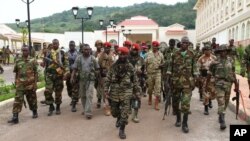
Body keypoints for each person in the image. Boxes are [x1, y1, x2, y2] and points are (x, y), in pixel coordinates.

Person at [104, 47, 140, 139]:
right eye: (121, 54)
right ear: (119, 55)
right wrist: (105, 90)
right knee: (114, 112)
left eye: (124, 54)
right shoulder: (113, 66)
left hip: (126, 92)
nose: (122, 56)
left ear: (127, 55)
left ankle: (122, 129)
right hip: (114, 92)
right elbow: (108, 79)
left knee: (125, 111)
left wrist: (137, 91)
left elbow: (135, 80)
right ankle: (118, 118)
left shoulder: (130, 67)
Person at [167, 36, 198, 133]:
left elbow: (195, 68)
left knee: (185, 103)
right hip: (176, 82)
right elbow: (170, 67)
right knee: (175, 102)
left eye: (187, 43)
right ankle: (178, 119)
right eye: (183, 43)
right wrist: (168, 80)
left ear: (188, 44)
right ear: (181, 43)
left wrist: (195, 79)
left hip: (187, 83)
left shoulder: (192, 54)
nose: (185, 44)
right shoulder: (175, 54)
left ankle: (185, 123)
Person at [8, 45, 38, 124]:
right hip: (20, 84)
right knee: (18, 100)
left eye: (26, 50)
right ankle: (15, 117)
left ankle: (34, 111)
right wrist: (16, 82)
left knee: (32, 99)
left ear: (29, 51)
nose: (24, 52)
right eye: (23, 50)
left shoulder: (32, 60)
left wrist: (35, 84)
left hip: (30, 84)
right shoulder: (18, 60)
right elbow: (16, 72)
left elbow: (36, 73)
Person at [210, 44, 237, 130]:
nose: (223, 53)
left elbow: (233, 72)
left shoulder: (231, 60)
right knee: (221, 101)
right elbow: (211, 72)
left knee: (225, 101)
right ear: (219, 52)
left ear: (227, 52)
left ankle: (222, 114)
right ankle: (222, 120)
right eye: (221, 51)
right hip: (219, 84)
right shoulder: (215, 61)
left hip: (228, 84)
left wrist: (236, 84)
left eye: (225, 51)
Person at [71, 44, 99, 119]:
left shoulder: (93, 58)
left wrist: (98, 78)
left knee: (89, 95)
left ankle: (88, 112)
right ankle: (85, 109)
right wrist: (72, 77)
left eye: (88, 49)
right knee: (83, 96)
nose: (86, 51)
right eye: (85, 49)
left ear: (90, 50)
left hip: (90, 80)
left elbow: (97, 69)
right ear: (82, 50)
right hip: (82, 79)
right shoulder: (79, 58)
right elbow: (74, 68)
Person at [44, 39, 69, 116]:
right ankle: (51, 106)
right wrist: (43, 64)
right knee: (48, 91)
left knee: (58, 92)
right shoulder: (49, 53)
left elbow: (66, 64)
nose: (55, 45)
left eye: (56, 44)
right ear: (52, 44)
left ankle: (58, 107)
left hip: (59, 75)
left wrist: (66, 73)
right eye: (53, 44)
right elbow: (45, 63)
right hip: (50, 75)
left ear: (58, 44)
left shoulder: (62, 53)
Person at [197, 45, 216, 115]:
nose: (207, 51)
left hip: (212, 78)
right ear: (203, 51)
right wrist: (199, 77)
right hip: (204, 77)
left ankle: (210, 100)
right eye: (205, 50)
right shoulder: (201, 58)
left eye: (208, 50)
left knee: (212, 91)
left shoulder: (214, 58)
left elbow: (217, 67)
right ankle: (206, 108)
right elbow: (197, 68)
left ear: (210, 50)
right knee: (205, 93)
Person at [128, 43, 145, 122]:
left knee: (137, 98)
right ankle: (127, 110)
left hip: (138, 82)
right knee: (127, 98)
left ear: (138, 50)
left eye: (136, 50)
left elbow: (144, 71)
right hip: (127, 82)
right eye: (133, 49)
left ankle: (135, 115)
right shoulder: (126, 58)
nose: (134, 51)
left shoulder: (141, 59)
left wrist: (143, 79)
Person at [145, 41, 164, 110]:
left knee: (158, 88)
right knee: (150, 88)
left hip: (158, 73)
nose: (154, 47)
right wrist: (145, 71)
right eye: (153, 46)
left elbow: (163, 63)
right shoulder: (148, 54)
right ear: (152, 46)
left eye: (156, 46)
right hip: (150, 73)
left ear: (158, 47)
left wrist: (161, 65)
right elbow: (145, 63)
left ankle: (156, 104)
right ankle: (150, 97)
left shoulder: (161, 55)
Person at [97, 42, 114, 116]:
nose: (107, 49)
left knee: (112, 91)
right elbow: (98, 67)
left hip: (112, 75)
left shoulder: (113, 55)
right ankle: (106, 107)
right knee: (105, 92)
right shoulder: (100, 55)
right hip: (103, 76)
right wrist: (99, 77)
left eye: (108, 48)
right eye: (105, 47)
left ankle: (110, 105)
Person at [163, 39, 178, 114]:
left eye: (173, 43)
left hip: (175, 71)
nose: (171, 44)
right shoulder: (165, 50)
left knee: (174, 88)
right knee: (166, 86)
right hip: (166, 71)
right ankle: (168, 101)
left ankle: (174, 106)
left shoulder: (177, 50)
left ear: (175, 43)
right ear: (168, 43)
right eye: (170, 43)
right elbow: (162, 59)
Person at [65, 41, 79, 112]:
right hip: (68, 73)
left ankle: (74, 104)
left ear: (75, 46)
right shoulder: (66, 54)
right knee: (69, 88)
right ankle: (72, 98)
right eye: (70, 45)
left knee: (75, 89)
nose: (71, 46)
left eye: (73, 45)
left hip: (76, 73)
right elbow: (65, 63)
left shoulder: (78, 54)